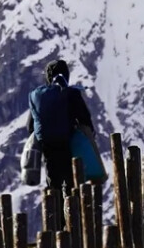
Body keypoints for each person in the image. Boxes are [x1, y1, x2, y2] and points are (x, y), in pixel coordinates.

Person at [26, 58, 96, 191]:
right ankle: (71, 206)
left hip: (48, 148)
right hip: (68, 144)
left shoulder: (39, 97)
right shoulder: (72, 93)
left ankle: (56, 208)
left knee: (53, 183)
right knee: (71, 183)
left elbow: (30, 127)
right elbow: (85, 119)